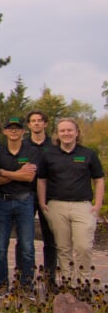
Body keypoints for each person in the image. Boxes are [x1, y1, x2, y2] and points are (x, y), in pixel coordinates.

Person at [37, 118, 105, 283]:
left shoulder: (88, 154)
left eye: (69, 130)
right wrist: (42, 202)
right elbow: (41, 180)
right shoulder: (48, 155)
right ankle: (67, 284)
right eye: (62, 130)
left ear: (77, 133)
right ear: (57, 134)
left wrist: (97, 204)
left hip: (82, 206)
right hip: (56, 206)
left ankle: (83, 284)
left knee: (84, 247)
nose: (66, 133)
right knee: (63, 248)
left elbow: (99, 180)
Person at [0, 116, 39, 289]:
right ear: (4, 132)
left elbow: (29, 177)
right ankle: (2, 282)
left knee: (27, 246)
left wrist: (4, 172)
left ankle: (26, 284)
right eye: (10, 128)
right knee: (0, 246)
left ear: (23, 131)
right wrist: (18, 173)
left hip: (25, 201)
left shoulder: (31, 151)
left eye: (17, 128)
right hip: (2, 202)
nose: (13, 131)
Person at [26, 109, 56, 284]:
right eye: (33, 120)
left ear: (45, 123)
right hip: (27, 195)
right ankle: (25, 278)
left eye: (39, 120)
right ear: (29, 125)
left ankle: (50, 279)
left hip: (49, 196)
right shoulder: (23, 145)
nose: (36, 123)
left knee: (50, 239)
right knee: (25, 240)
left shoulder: (54, 145)